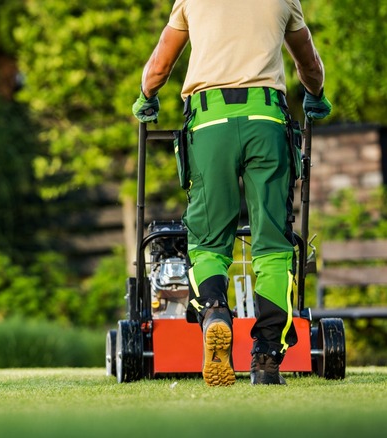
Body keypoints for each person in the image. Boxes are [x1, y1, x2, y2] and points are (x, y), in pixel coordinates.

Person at [132, 0, 332, 386]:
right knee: (273, 245)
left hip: (210, 124)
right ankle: (266, 357)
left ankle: (214, 312)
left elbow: (160, 66)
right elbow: (309, 64)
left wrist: (146, 97)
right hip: (267, 120)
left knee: (208, 242)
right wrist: (316, 94)